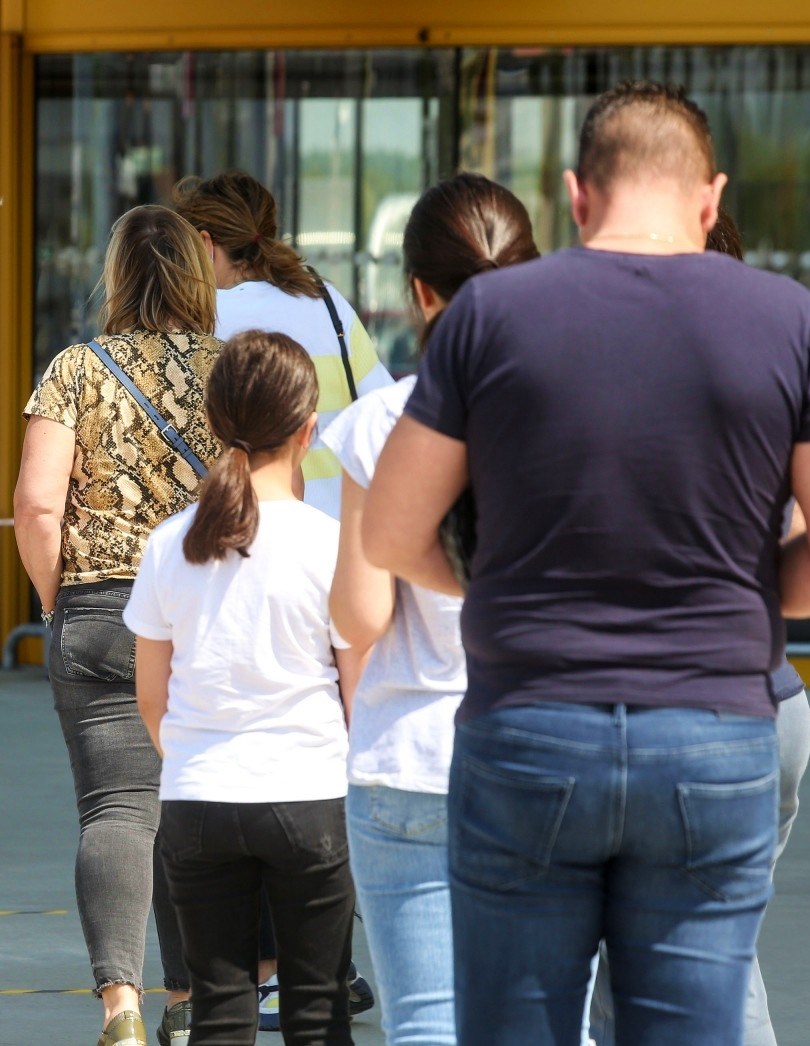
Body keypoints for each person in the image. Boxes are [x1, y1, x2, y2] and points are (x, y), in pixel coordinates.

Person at [361, 81, 810, 1045]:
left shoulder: (489, 319)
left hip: (530, 728)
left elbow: (392, 535)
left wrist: (510, 587)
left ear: (576, 195)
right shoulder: (793, 321)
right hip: (711, 737)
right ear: (711, 198)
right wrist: (737, 591)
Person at [586, 211, 810, 1046]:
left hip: (661, 713)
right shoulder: (780, 372)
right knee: (713, 941)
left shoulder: (613, 381)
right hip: (772, 701)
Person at [322, 173, 538, 1046]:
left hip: (406, 756)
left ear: (419, 291)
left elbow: (359, 616)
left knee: (426, 1025)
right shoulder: (565, 406)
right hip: (541, 748)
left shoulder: (379, 423)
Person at [14, 204, 213, 1046]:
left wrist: (58, 601)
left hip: (103, 608)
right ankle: (192, 998)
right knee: (197, 814)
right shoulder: (232, 367)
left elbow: (35, 504)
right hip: (206, 612)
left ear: (118, 276)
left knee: (118, 810)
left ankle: (121, 1009)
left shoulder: (74, 369)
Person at [126, 329, 356, 1046]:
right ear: (306, 430)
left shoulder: (171, 542)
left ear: (217, 421)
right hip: (308, 792)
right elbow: (356, 689)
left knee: (220, 1014)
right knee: (317, 1013)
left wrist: (192, 754)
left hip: (198, 800)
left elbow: (150, 693)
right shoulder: (327, 543)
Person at [172, 169, 393, 519]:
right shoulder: (328, 301)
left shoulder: (203, 319)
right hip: (342, 534)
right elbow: (386, 410)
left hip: (255, 537)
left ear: (204, 244)